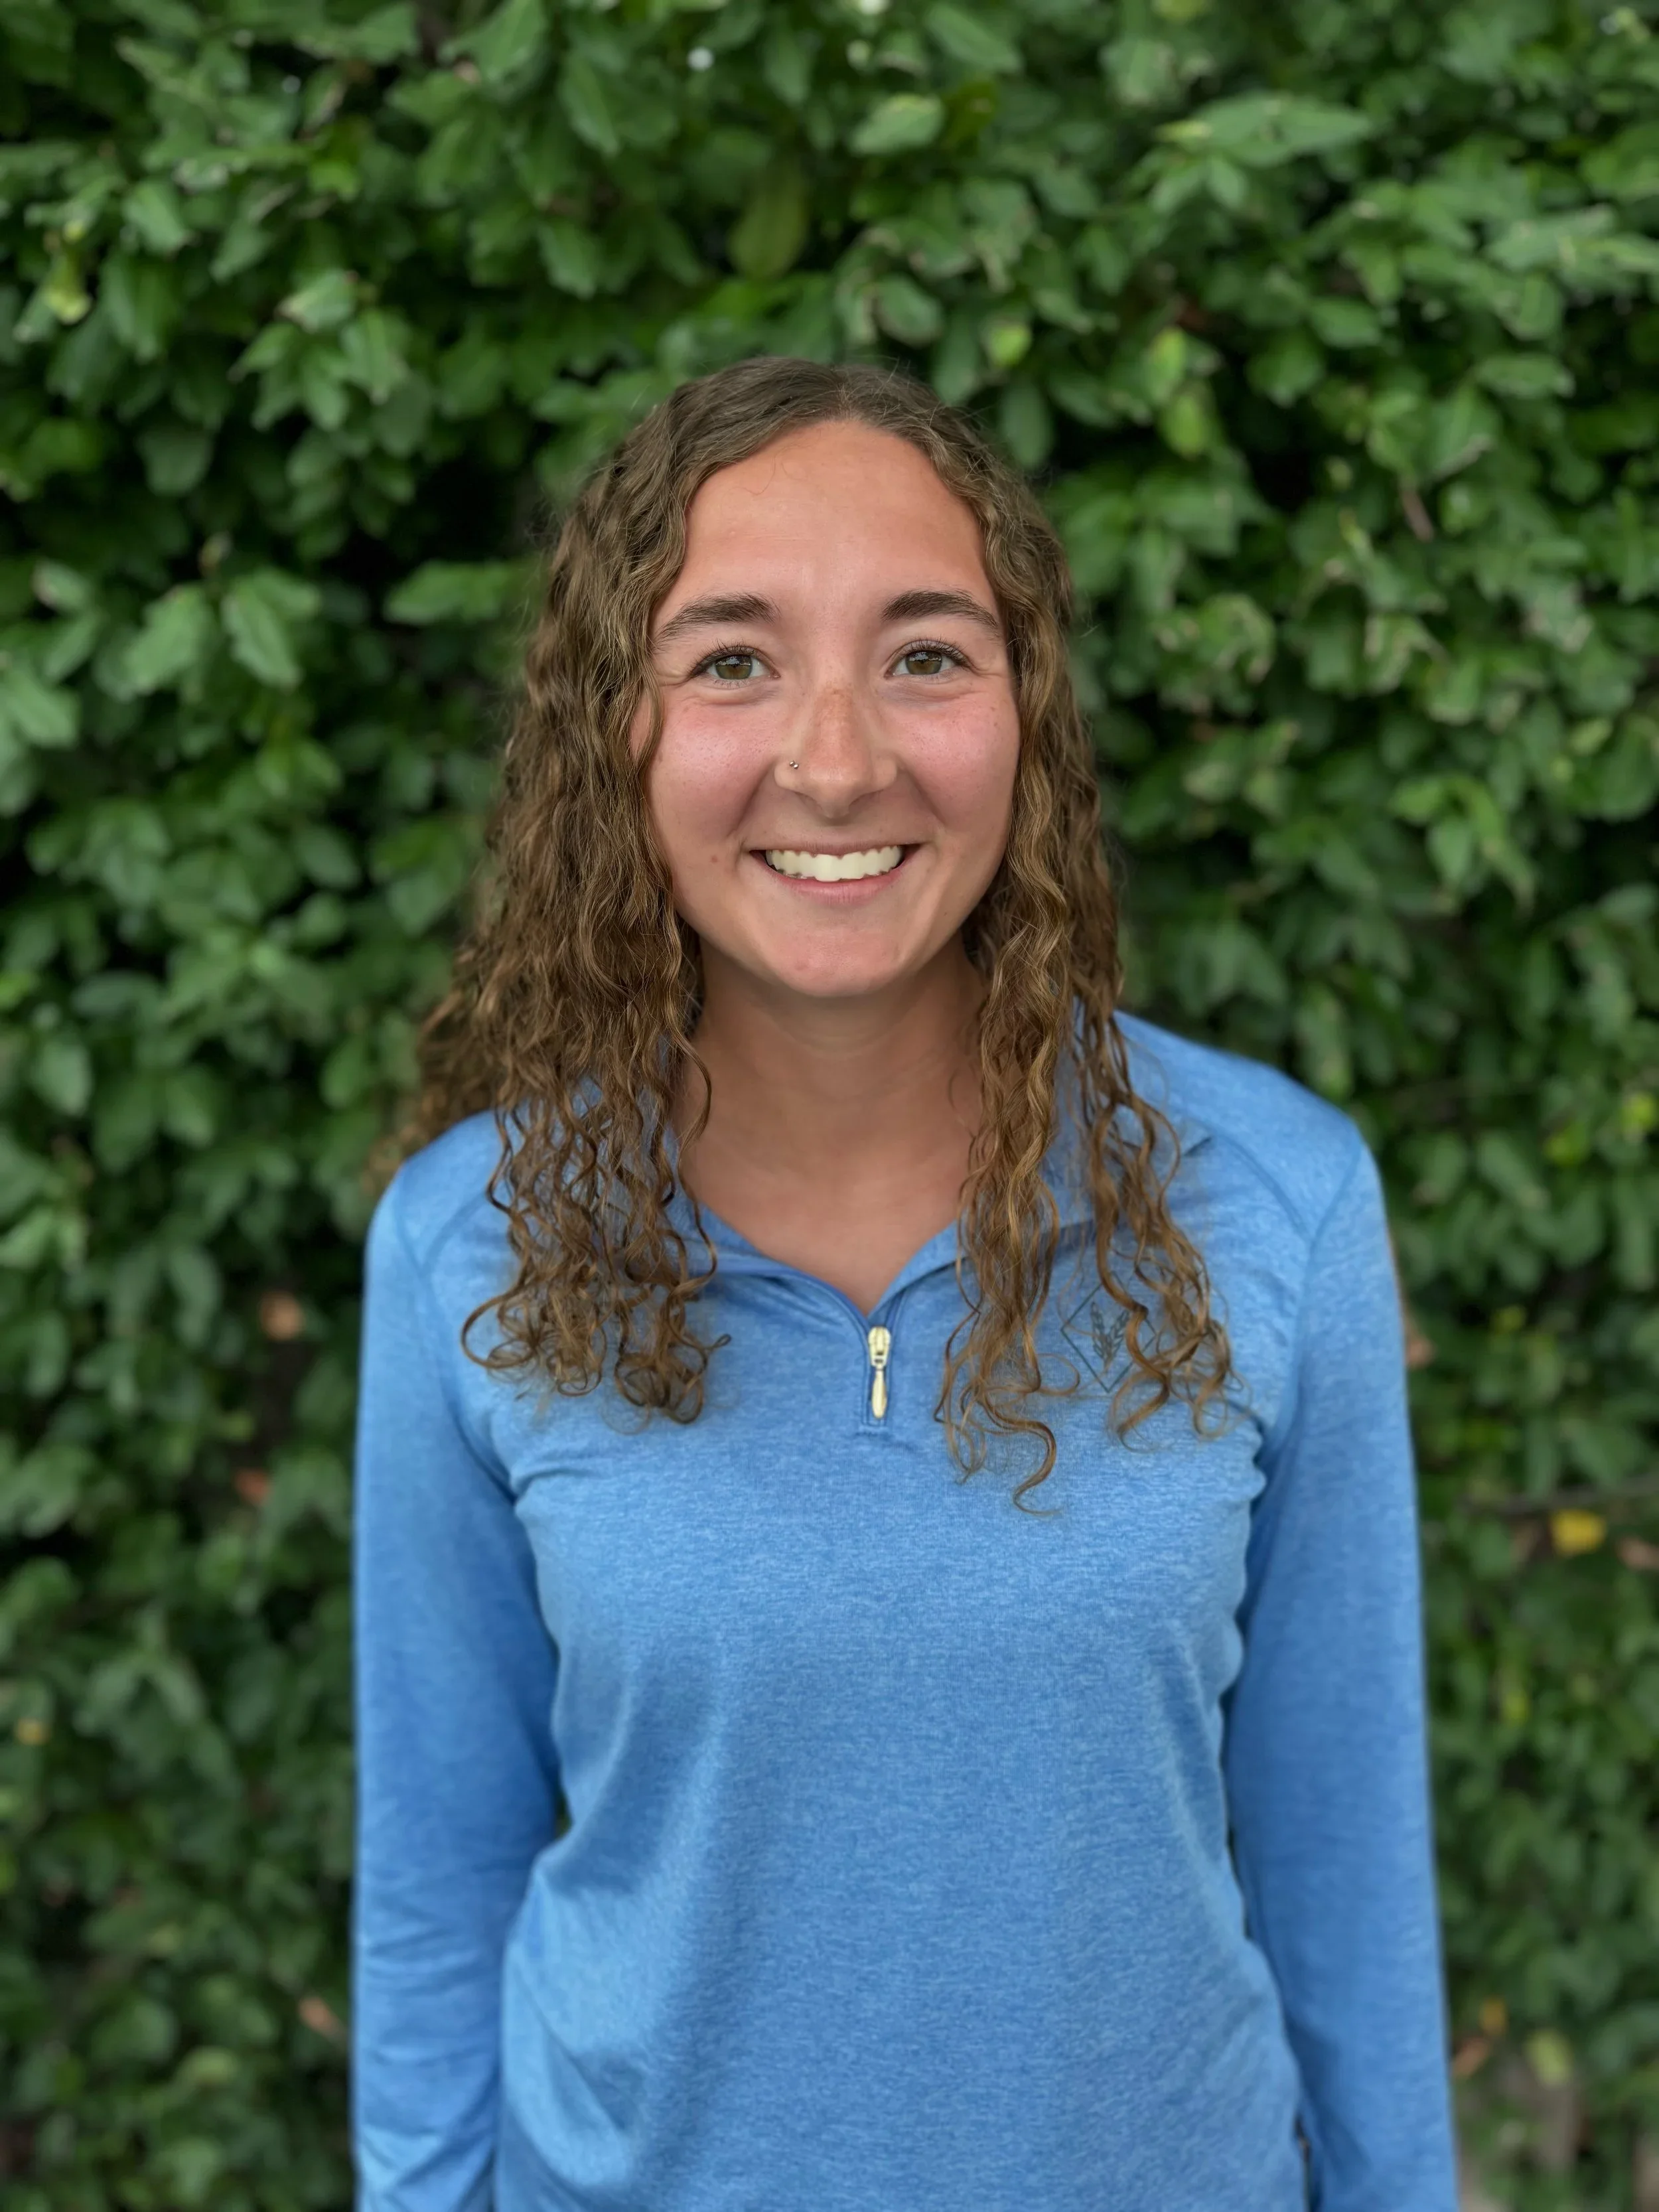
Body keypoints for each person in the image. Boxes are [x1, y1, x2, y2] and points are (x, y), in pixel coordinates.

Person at [351, 356, 1458, 2211]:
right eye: (733, 658)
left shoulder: (1272, 1203)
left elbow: (1344, 1872)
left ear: (1025, 715)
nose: (839, 756)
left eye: (925, 652)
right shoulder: (471, 1239)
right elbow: (440, 1883)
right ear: (612, 728)